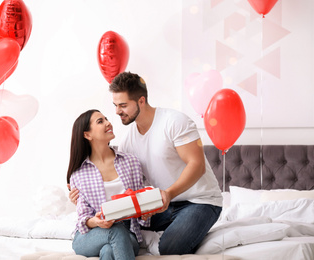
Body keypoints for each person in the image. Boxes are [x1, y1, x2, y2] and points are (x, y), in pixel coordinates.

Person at [70, 72, 223, 255]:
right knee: (124, 226)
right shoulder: (128, 142)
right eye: (116, 105)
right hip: (162, 206)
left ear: (141, 101)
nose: (117, 111)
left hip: (199, 201)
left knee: (168, 247)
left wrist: (168, 194)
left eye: (123, 105)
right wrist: (80, 195)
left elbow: (197, 165)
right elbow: (131, 187)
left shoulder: (174, 121)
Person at [67, 109, 150, 260]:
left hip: (127, 232)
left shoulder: (131, 162)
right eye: (100, 121)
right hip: (90, 235)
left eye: (106, 118)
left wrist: (145, 212)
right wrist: (97, 222)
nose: (108, 123)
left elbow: (141, 203)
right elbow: (84, 218)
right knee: (115, 231)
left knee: (108, 251)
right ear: (87, 135)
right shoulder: (78, 175)